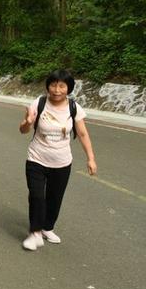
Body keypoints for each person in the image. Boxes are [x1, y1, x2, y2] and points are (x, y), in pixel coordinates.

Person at [18, 69, 97, 251]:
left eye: (62, 86)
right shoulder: (39, 103)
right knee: (37, 195)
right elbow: (23, 130)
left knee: (55, 198)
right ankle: (35, 233)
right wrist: (28, 122)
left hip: (62, 162)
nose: (57, 90)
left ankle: (47, 228)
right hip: (36, 158)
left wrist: (91, 158)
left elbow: (83, 134)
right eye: (53, 85)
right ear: (48, 86)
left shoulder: (74, 108)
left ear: (68, 88)